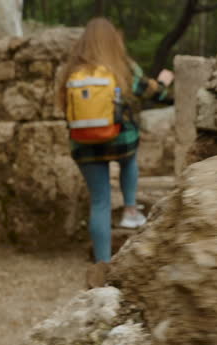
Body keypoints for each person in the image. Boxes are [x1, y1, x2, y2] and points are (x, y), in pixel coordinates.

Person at [56, 17, 174, 288]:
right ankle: (131, 210)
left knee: (100, 201)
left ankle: (102, 269)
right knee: (129, 152)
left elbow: (65, 108)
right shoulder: (121, 67)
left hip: (84, 144)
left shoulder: (71, 71)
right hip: (119, 141)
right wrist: (164, 82)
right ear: (113, 41)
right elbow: (152, 92)